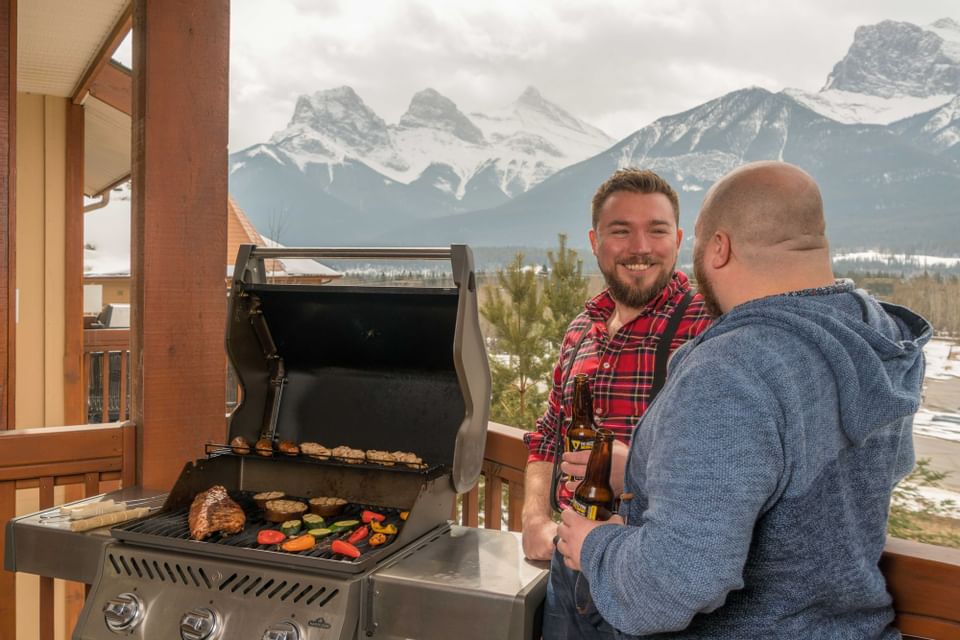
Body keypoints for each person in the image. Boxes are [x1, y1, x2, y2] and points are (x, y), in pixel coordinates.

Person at [556, 161, 931, 639]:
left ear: (719, 247)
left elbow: (670, 587)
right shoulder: (873, 337)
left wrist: (594, 546)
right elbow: (807, 482)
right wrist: (639, 470)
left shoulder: (731, 369)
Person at [521, 169, 712, 636]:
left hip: (645, 577)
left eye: (657, 230)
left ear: (679, 239)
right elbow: (548, 433)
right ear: (594, 240)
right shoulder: (581, 330)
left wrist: (638, 466)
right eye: (621, 230)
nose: (640, 247)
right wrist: (533, 517)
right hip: (570, 569)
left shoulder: (705, 329)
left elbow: (726, 467)